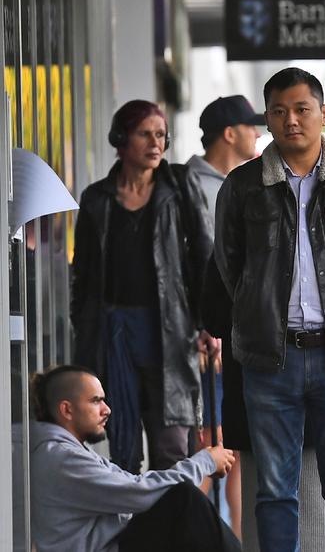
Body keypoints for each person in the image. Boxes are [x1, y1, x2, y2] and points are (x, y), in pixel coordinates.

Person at [212, 66, 325, 552]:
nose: (291, 120)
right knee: (274, 492)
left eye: (301, 109)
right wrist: (258, 309)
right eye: (278, 111)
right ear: (268, 119)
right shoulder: (242, 185)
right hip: (269, 360)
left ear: (324, 114)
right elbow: (230, 266)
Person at [70, 100, 214, 473]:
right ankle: (133, 531)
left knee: (172, 445)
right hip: (114, 332)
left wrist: (209, 323)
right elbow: (82, 275)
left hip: (170, 330)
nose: (155, 143)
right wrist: (84, 330)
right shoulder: (96, 198)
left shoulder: (180, 188)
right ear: (121, 139)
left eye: (161, 135)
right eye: (144, 134)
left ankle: (174, 530)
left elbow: (204, 258)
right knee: (123, 447)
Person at [29, 365, 240, 552]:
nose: (107, 409)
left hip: (115, 543)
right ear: (67, 410)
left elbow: (134, 488)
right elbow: (139, 492)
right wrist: (205, 461)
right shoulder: (63, 458)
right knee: (183, 499)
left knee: (181, 508)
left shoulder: (64, 451)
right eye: (96, 401)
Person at [187, 94, 265, 538]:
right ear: (230, 133)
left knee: (233, 446)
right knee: (206, 442)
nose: (258, 135)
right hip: (202, 338)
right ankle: (200, 540)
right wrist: (204, 324)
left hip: (235, 337)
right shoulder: (190, 187)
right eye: (251, 127)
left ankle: (234, 541)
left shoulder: (247, 183)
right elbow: (196, 265)